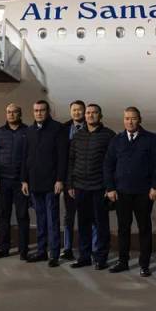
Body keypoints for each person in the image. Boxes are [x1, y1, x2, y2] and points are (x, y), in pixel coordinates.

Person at [104, 106, 156, 276]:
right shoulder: (117, 140)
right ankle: (123, 261)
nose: (130, 122)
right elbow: (108, 165)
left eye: (133, 118)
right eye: (127, 118)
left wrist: (155, 186)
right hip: (122, 193)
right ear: (123, 120)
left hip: (143, 193)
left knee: (144, 229)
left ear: (140, 120)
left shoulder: (151, 140)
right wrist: (110, 188)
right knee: (123, 229)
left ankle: (144, 264)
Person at [66, 103, 115, 269]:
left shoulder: (108, 135)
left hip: (99, 187)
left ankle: (101, 257)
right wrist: (70, 184)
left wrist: (110, 187)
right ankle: (84, 256)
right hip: (80, 187)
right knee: (83, 224)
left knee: (101, 225)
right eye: (88, 113)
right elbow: (71, 160)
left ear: (100, 116)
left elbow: (112, 163)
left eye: (94, 113)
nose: (90, 115)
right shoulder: (78, 136)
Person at [22, 100, 68, 266]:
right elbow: (25, 157)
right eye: (36, 110)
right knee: (40, 219)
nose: (39, 113)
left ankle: (53, 254)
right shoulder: (29, 130)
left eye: (42, 110)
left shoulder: (58, 128)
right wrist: (24, 180)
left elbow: (62, 156)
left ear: (48, 112)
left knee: (52, 219)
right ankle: (41, 251)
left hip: (51, 183)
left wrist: (60, 179)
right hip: (34, 182)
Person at [0, 103, 30, 259]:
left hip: (21, 182)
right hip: (3, 181)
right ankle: (3, 248)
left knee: (22, 216)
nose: (11, 114)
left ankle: (23, 250)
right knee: (3, 216)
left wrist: (26, 179)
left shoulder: (27, 132)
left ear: (20, 114)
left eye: (14, 112)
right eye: (9, 112)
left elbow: (30, 157)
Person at [60, 100, 86, 261]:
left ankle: (86, 249)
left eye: (79, 110)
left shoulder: (90, 128)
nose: (77, 112)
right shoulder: (63, 129)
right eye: (74, 110)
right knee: (69, 216)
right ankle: (67, 248)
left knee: (86, 216)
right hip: (68, 179)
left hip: (86, 179)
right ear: (70, 112)